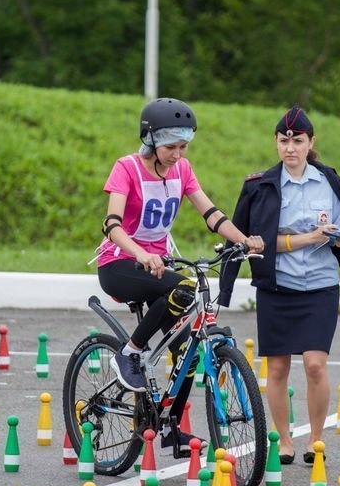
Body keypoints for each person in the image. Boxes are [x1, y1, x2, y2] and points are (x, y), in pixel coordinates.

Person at [219, 106, 340, 465]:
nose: (290, 148)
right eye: (284, 141)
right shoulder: (259, 186)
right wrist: (307, 237)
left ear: (311, 142)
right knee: (278, 368)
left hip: (319, 286)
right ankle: (284, 440)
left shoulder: (329, 181)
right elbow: (252, 240)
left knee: (315, 364)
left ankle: (315, 439)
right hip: (277, 286)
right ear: (276, 143)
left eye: (298, 141)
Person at [96, 97, 264, 411]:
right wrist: (140, 253)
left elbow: (211, 214)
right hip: (120, 262)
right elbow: (112, 225)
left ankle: (172, 425)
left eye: (183, 147)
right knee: (184, 288)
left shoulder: (182, 170)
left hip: (159, 265)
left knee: (188, 352)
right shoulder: (127, 168)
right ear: (151, 139)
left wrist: (244, 240)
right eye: (170, 147)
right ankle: (130, 353)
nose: (177, 154)